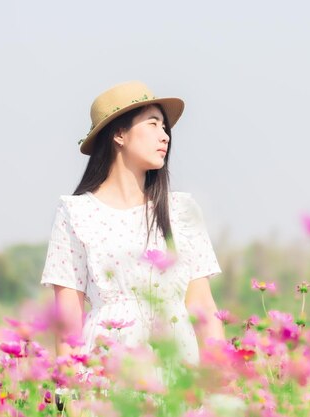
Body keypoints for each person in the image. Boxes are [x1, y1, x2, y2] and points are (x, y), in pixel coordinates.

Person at [40, 81, 225, 395]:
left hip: (177, 363)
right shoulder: (76, 212)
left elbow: (202, 306)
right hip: (107, 367)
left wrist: (223, 384)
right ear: (119, 134)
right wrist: (67, 396)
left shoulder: (180, 210)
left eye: (164, 127)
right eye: (152, 123)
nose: (164, 135)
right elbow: (68, 322)